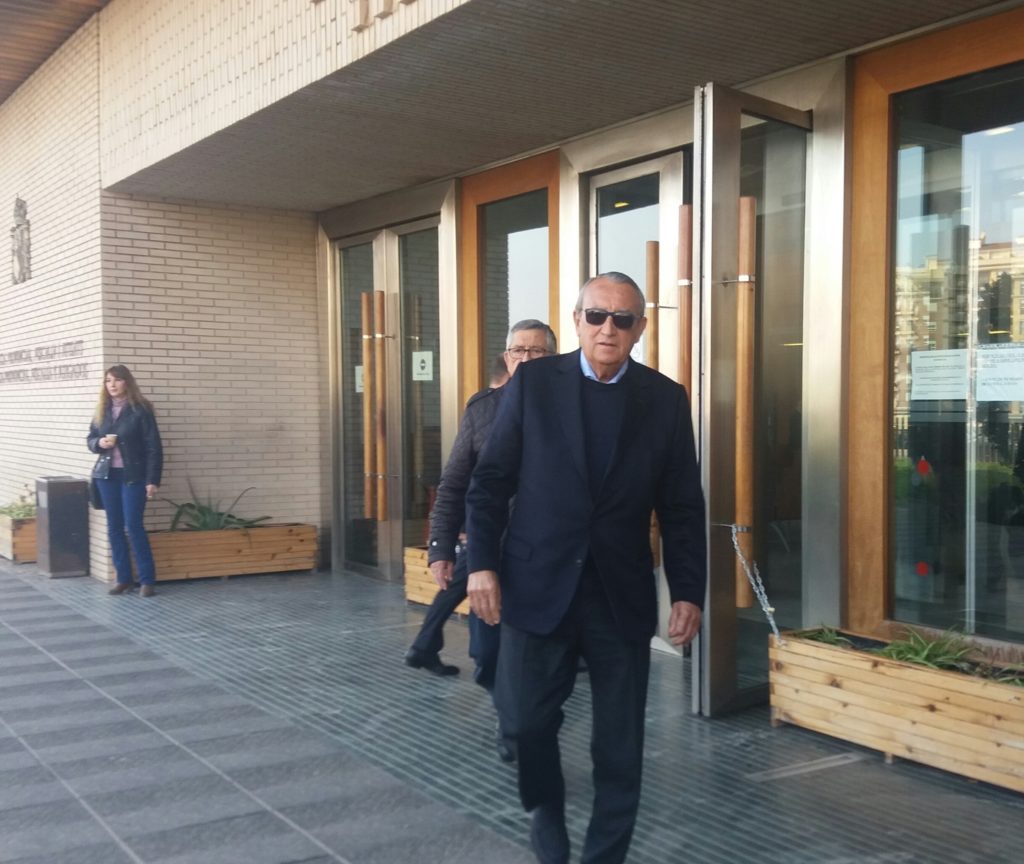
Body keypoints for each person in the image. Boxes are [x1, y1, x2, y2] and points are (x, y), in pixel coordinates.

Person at [466, 273, 706, 864]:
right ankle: (545, 815)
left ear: (640, 328)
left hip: (618, 594)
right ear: (577, 320)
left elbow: (681, 506)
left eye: (622, 319)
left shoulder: (665, 399)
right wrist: (482, 565)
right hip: (536, 583)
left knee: (620, 745)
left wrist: (687, 590)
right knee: (524, 724)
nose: (608, 329)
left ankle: (604, 856)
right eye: (596, 315)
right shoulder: (534, 384)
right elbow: (490, 481)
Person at [405, 323, 557, 714]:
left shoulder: (569, 409)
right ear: (507, 357)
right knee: (486, 652)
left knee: (539, 659)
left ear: (553, 359)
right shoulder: (482, 409)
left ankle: (517, 724)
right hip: (491, 550)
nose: (525, 359)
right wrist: (440, 546)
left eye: (536, 352)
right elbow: (454, 482)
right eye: (518, 351)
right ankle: (507, 711)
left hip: (547, 556)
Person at [87, 364, 164, 597]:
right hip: (107, 476)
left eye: (117, 380)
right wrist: (99, 443)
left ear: (127, 382)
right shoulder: (102, 410)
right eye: (108, 380)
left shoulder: (141, 409)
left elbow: (154, 447)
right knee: (114, 527)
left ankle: (147, 580)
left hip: (134, 476)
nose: (112, 385)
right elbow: (90, 439)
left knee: (133, 525)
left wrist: (152, 480)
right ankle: (123, 578)